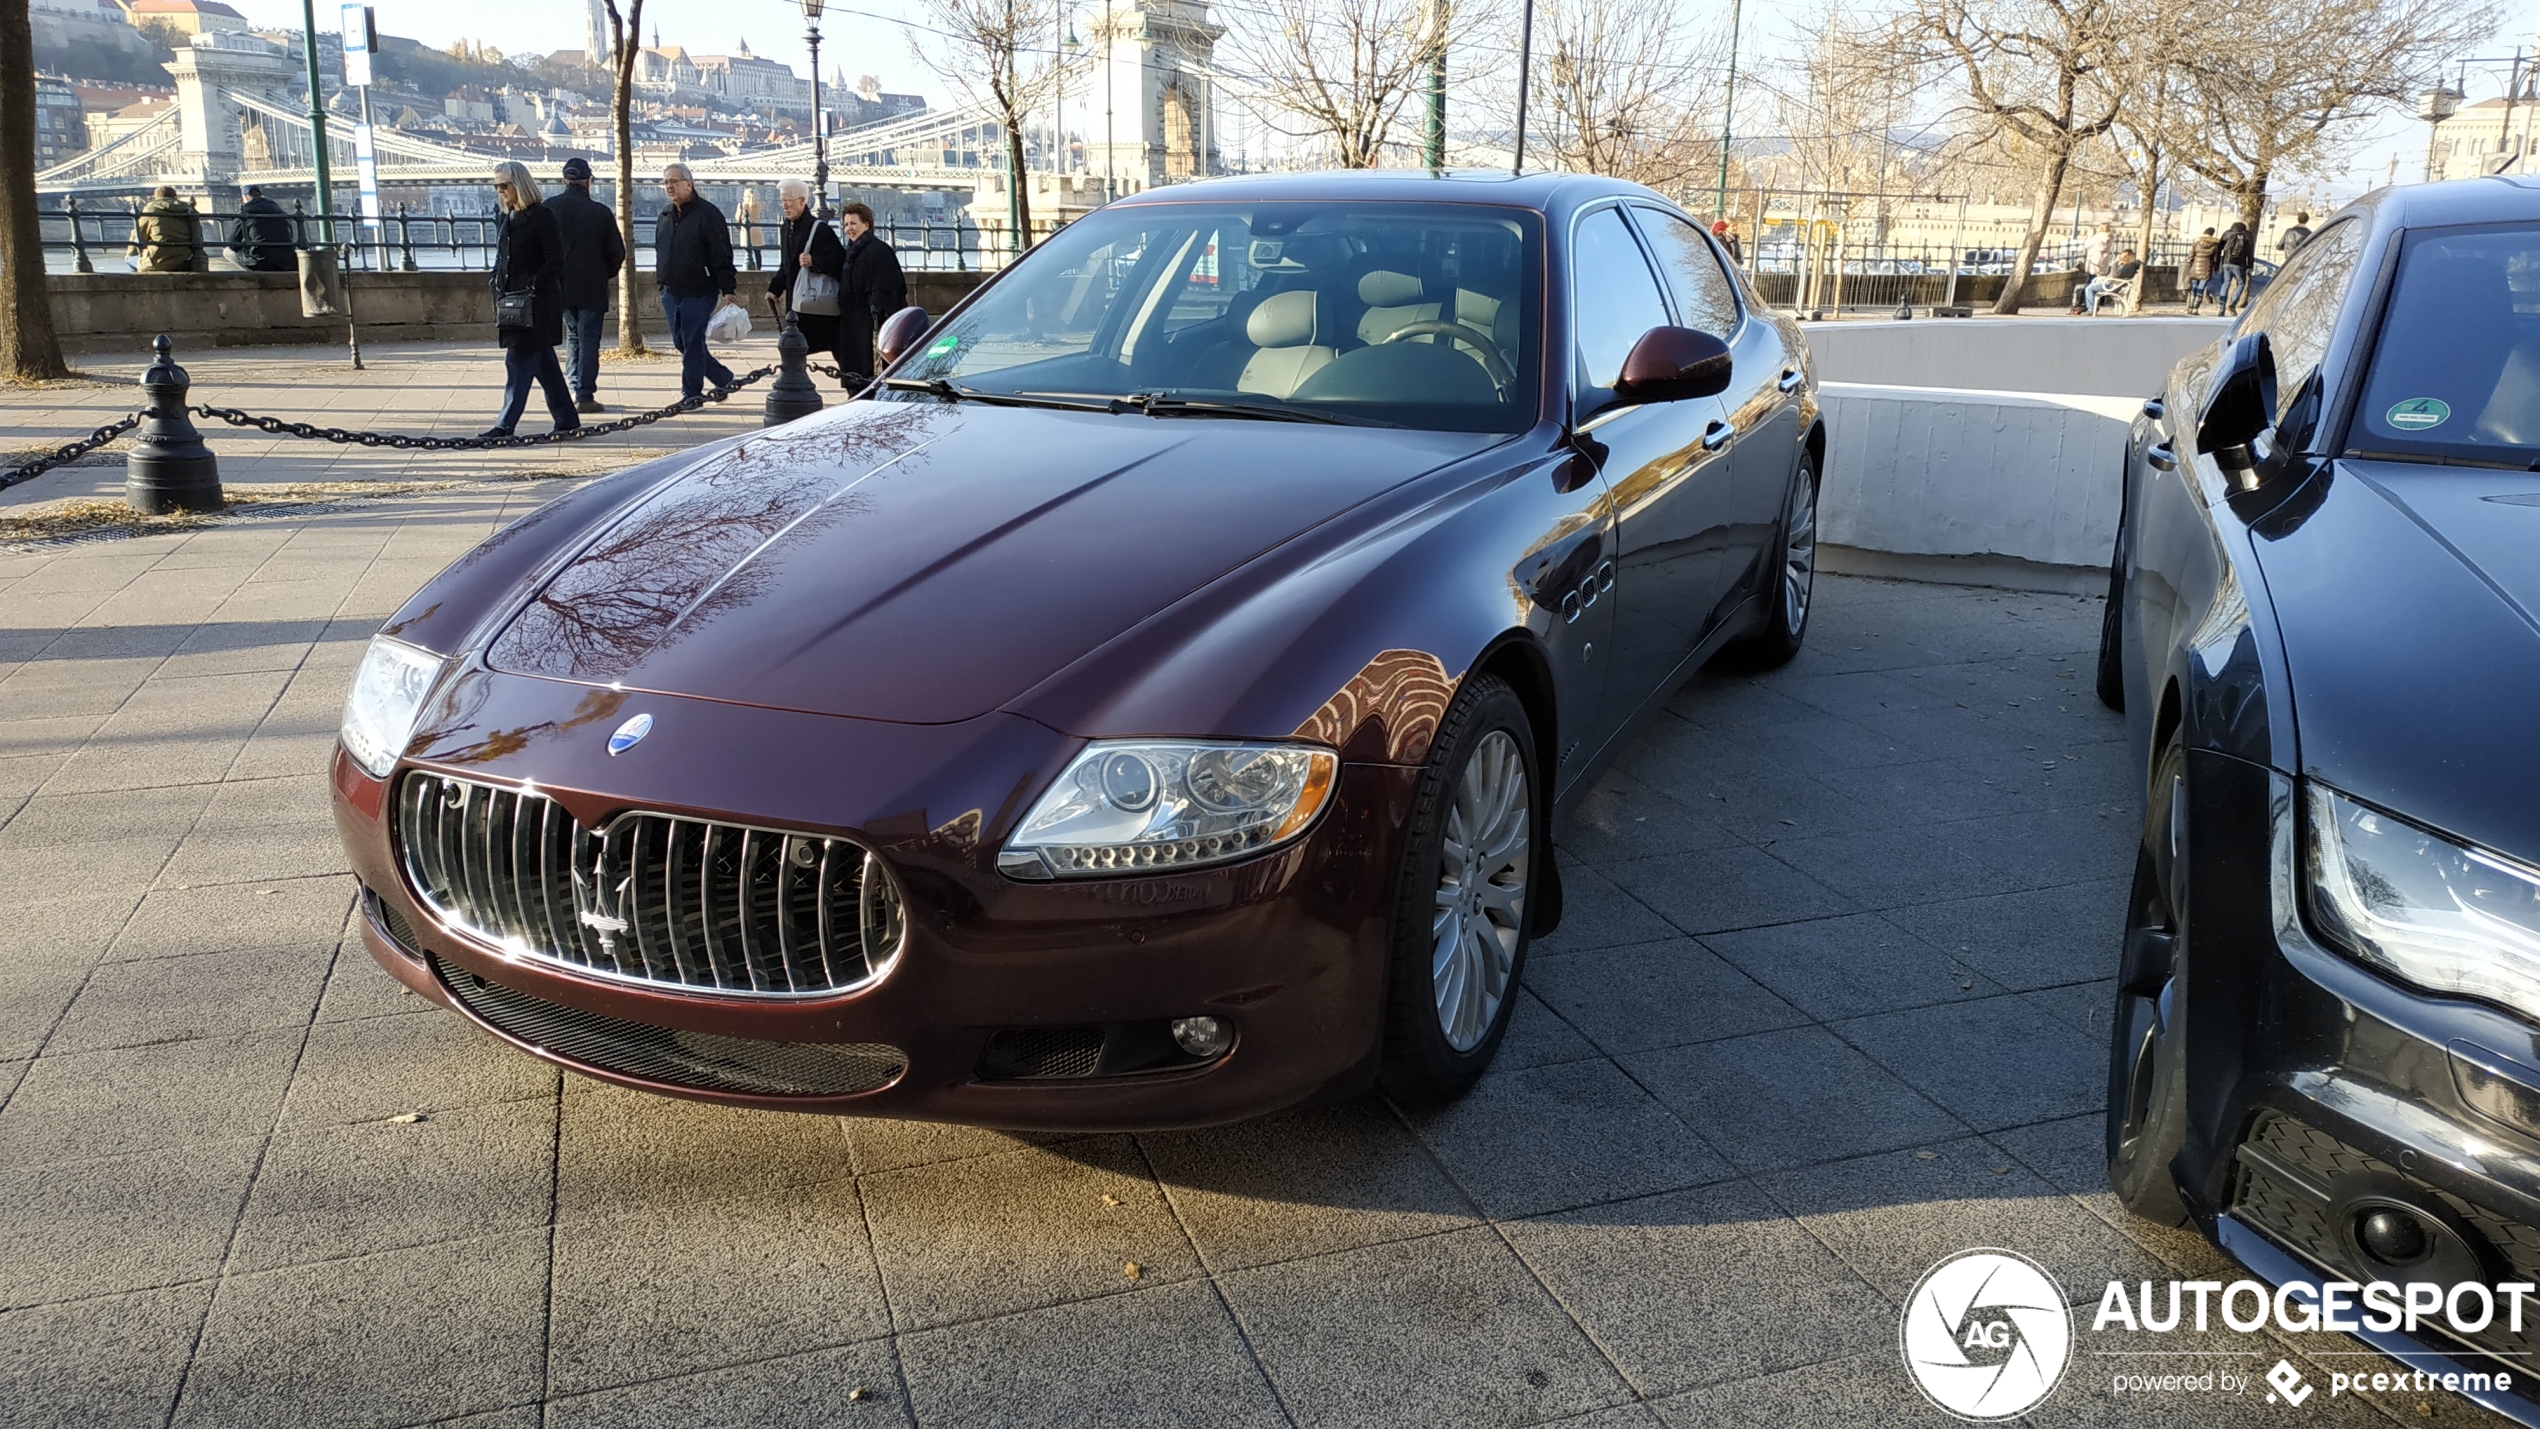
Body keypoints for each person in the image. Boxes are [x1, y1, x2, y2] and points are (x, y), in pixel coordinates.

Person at [481, 160, 580, 439]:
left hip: (537, 305)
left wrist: (534, 285)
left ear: (519, 185)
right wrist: (496, 282)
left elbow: (556, 259)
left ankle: (504, 425)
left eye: (504, 185)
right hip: (512, 303)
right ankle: (567, 420)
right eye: (496, 186)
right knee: (545, 366)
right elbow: (504, 259)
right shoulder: (507, 218)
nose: (500, 191)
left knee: (518, 363)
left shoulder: (542, 216)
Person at [653, 162, 739, 399]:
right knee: (681, 342)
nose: (669, 186)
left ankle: (691, 394)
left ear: (688, 184)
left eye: (674, 181)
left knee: (692, 341)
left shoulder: (708, 215)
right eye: (666, 182)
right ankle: (723, 378)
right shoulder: (665, 216)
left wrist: (727, 287)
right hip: (670, 289)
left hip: (700, 290)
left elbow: (721, 253)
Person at [548, 156, 625, 414]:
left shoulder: (549, 208)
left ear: (564, 180)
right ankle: (584, 393)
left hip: (560, 287)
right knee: (589, 339)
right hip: (592, 286)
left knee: (572, 336)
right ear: (588, 181)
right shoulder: (601, 213)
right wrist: (604, 273)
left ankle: (573, 387)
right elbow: (617, 253)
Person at [764, 179, 847, 377]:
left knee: (833, 350)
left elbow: (840, 262)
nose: (785, 205)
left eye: (789, 201)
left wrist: (814, 261)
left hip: (817, 307)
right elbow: (787, 264)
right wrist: (775, 288)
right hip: (796, 305)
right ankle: (795, 386)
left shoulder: (819, 230)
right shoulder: (786, 228)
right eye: (782, 201)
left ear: (802, 201)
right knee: (793, 349)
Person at [837, 201, 907, 384]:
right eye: (845, 224)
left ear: (866, 225)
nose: (848, 229)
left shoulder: (879, 251)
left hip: (871, 323)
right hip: (853, 321)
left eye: (853, 224)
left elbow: (889, 289)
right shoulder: (852, 252)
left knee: (869, 369)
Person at [127, 186, 199, 273]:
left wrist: (131, 253)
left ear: (156, 197)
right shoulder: (187, 209)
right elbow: (197, 234)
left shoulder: (151, 209)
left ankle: (138, 285)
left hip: (157, 261)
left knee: (130, 260)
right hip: (184, 260)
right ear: (175, 197)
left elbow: (139, 234)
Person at [227, 185, 295, 272]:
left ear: (245, 197)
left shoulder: (244, 212)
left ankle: (254, 275)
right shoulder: (278, 210)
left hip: (261, 262)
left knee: (227, 252)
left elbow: (233, 245)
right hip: (287, 261)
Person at [2212, 221, 2255, 316]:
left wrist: (2216, 264)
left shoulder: (2227, 234)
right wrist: (2250, 265)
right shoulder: (2247, 235)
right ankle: (2232, 304)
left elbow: (2218, 249)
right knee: (2241, 283)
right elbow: (2250, 252)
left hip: (2226, 262)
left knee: (2226, 283)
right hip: (2240, 264)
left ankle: (2221, 308)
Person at [2083, 249, 2142, 313]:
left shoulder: (2130, 266)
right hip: (2111, 283)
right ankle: (2092, 308)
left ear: (2131, 257)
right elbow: (2114, 274)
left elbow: (2114, 275)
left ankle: (2091, 309)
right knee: (2088, 287)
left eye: (2125, 257)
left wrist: (2115, 262)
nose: (2122, 258)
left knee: (2089, 288)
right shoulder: (2125, 265)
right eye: (2121, 257)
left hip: (2112, 285)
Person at [2072, 223, 2112, 313]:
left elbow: (2087, 245)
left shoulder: (2098, 237)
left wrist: (2090, 235)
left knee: (2090, 284)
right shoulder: (2109, 238)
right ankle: (2097, 303)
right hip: (2103, 265)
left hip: (2094, 263)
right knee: (2097, 282)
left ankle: (2090, 306)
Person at [2182, 227, 2219, 315]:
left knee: (2194, 288)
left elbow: (2191, 256)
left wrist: (2189, 262)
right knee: (2201, 288)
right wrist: (2215, 268)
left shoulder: (2197, 243)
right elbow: (2215, 259)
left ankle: (2189, 308)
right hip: (2206, 268)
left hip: (2195, 267)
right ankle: (2195, 308)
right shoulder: (2214, 245)